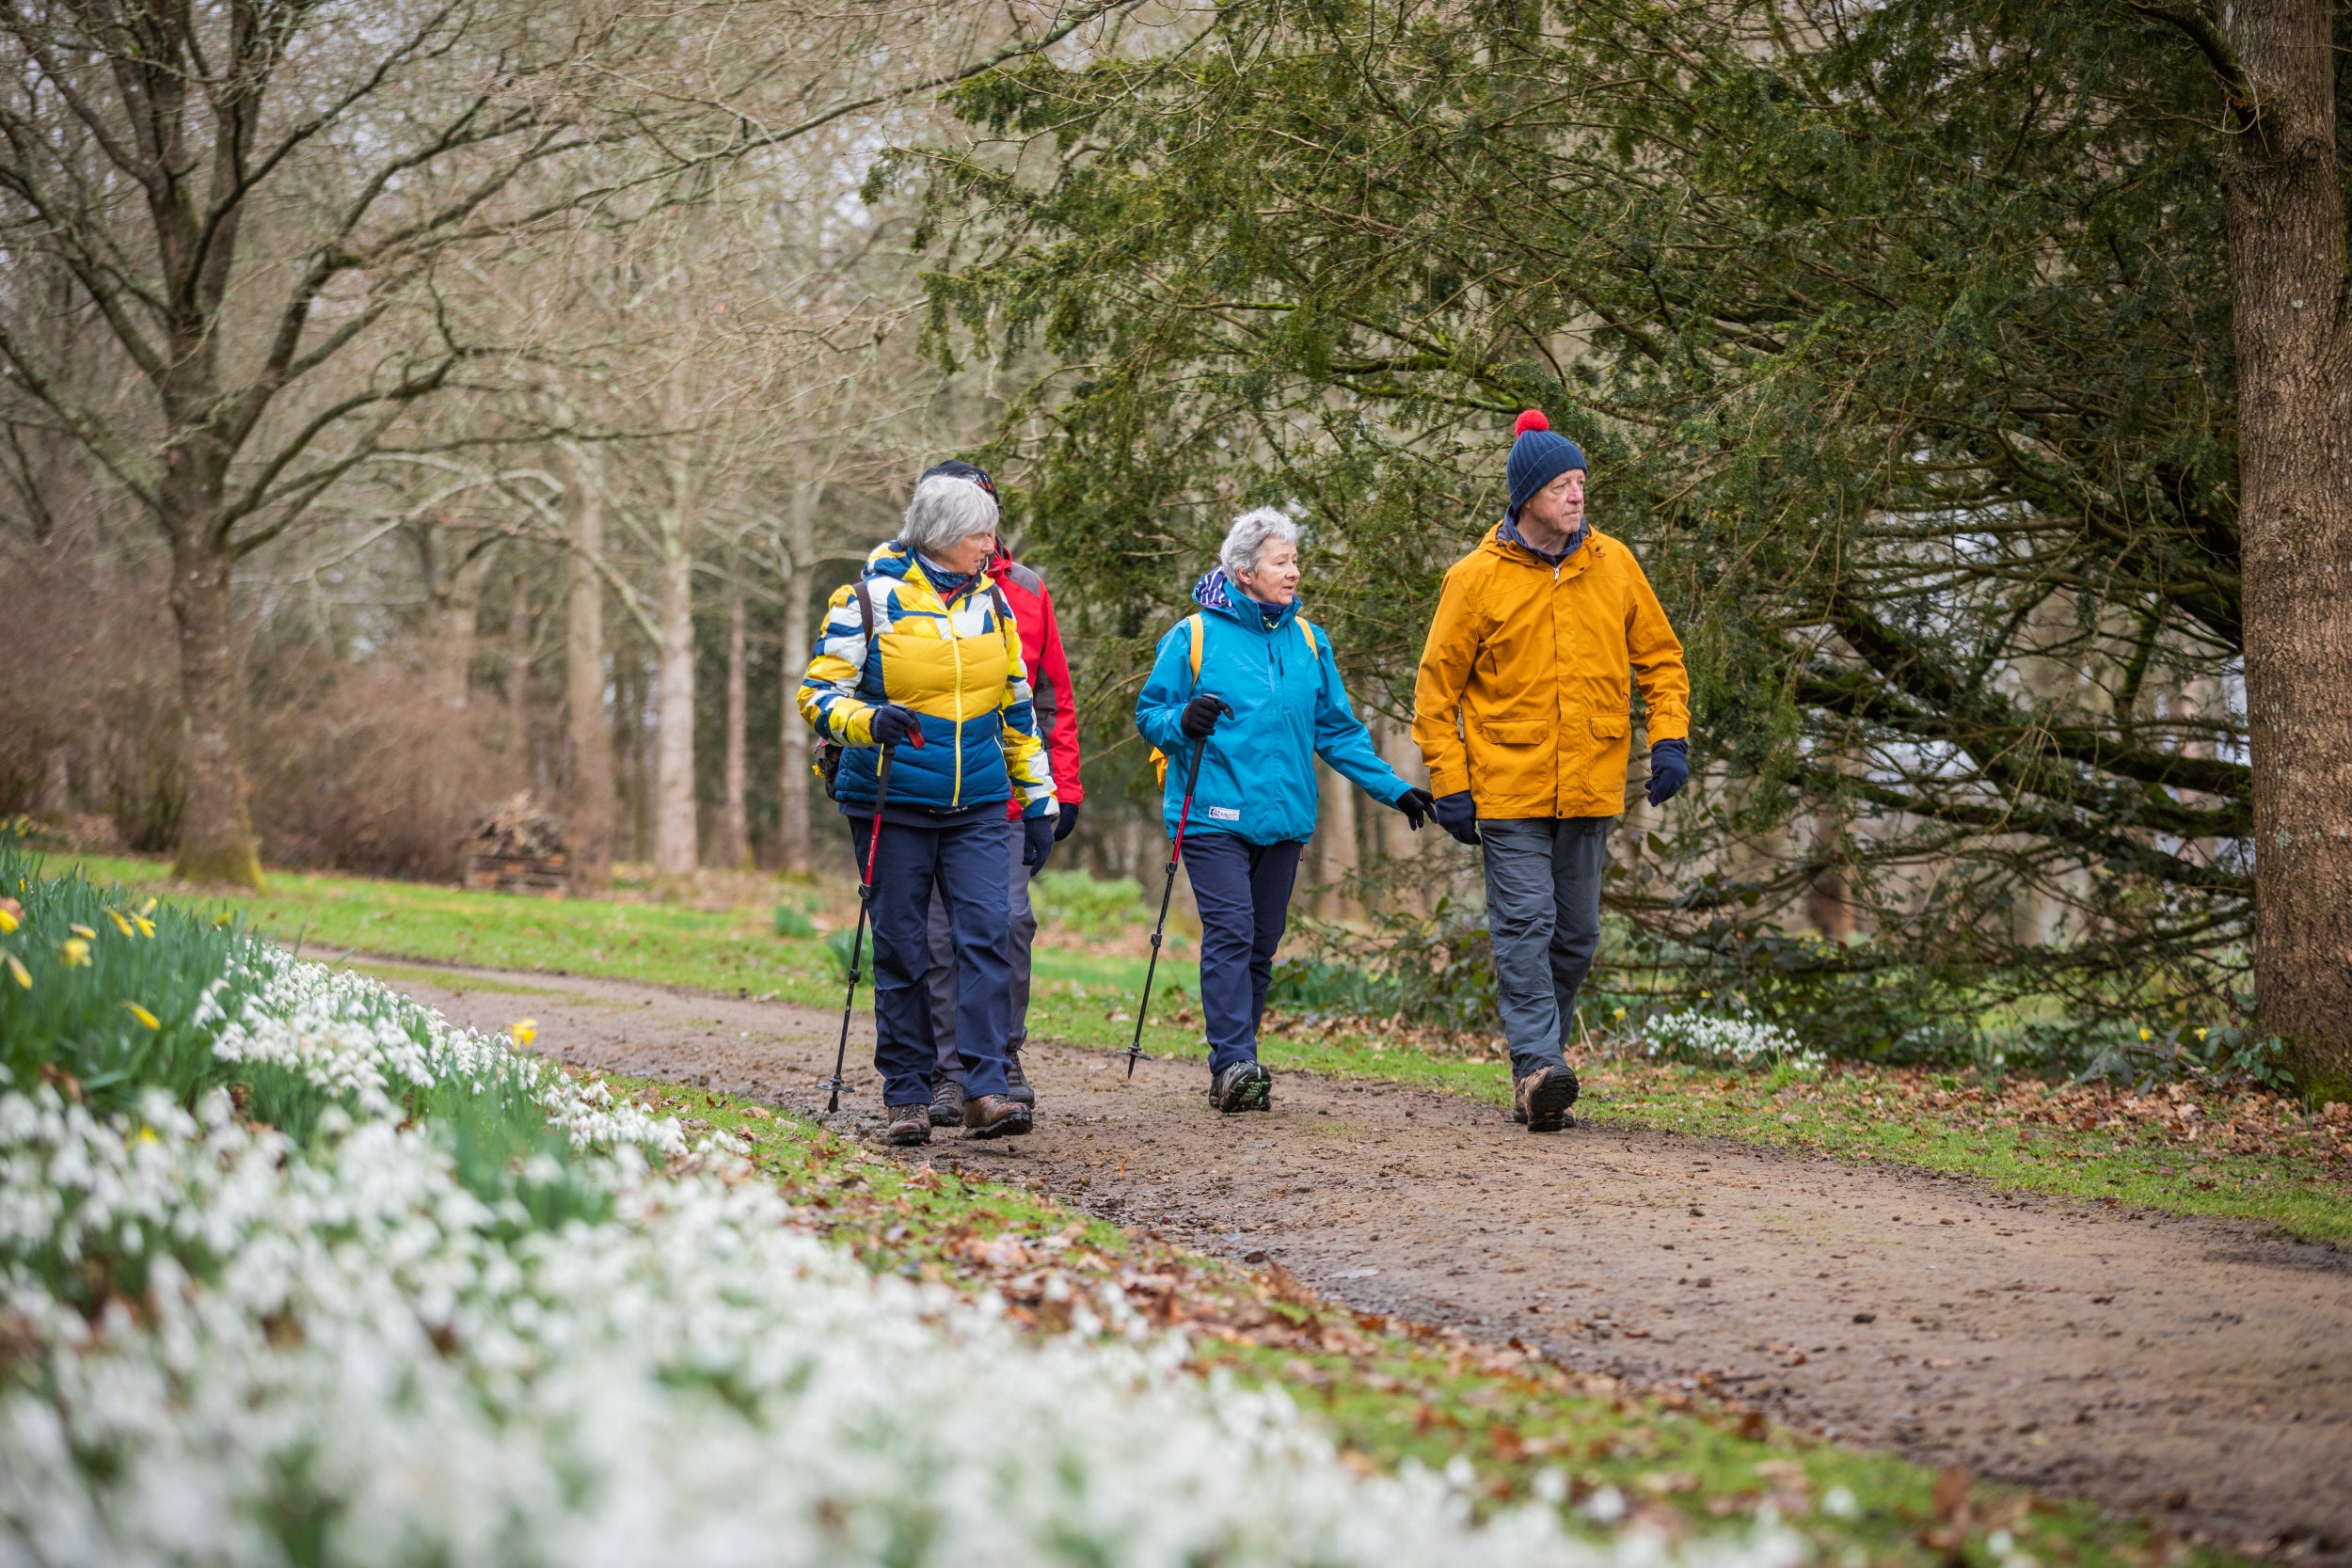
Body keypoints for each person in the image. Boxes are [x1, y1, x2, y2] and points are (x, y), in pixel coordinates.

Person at [1411, 410, 1691, 1133]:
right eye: (1564, 484)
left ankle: (1541, 1069)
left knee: (1576, 935)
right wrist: (1451, 786)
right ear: (1528, 493)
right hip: (1507, 787)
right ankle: (1537, 1064)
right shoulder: (1473, 580)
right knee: (1526, 923)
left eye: (1582, 483)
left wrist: (1669, 740)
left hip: (1592, 783)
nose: (1577, 495)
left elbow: (1661, 660)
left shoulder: (1616, 564)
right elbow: (1436, 692)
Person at [1136, 508, 1436, 1114]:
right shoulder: (1194, 636)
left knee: (1262, 944)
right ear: (1244, 572)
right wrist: (1181, 722)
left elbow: (1338, 731)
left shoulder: (1308, 640)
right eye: (1282, 561)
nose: (1295, 571)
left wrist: (1395, 788)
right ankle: (1234, 1064)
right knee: (1231, 930)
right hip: (1211, 815)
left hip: (1284, 818)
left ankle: (1238, 1057)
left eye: (1296, 560)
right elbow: (1151, 714)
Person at [799, 466, 1058, 1147]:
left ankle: (984, 1088)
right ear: (943, 535)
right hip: (891, 800)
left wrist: (1038, 800)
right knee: (904, 949)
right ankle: (908, 1095)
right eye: (980, 532)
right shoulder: (866, 599)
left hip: (976, 801)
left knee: (988, 935)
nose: (989, 544)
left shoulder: (991, 604)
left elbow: (1017, 707)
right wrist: (867, 720)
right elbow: (818, 695)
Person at [919, 462, 1085, 1127]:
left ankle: (1001, 1058)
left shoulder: (1026, 589)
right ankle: (947, 1073)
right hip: (921, 795)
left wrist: (1061, 789)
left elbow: (1051, 699)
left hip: (1007, 795)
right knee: (934, 937)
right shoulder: (892, 588)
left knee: (1009, 924)